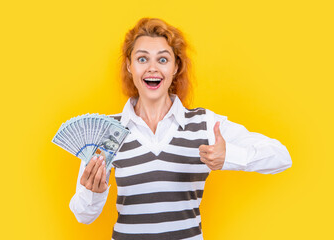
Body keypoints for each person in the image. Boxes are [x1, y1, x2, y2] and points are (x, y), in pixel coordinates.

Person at [69, 18, 292, 240]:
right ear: (129, 66)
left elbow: (282, 157)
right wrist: (93, 193)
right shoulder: (108, 131)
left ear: (176, 66)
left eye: (163, 59)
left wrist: (229, 157)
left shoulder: (204, 125)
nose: (152, 68)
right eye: (142, 58)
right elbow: (83, 216)